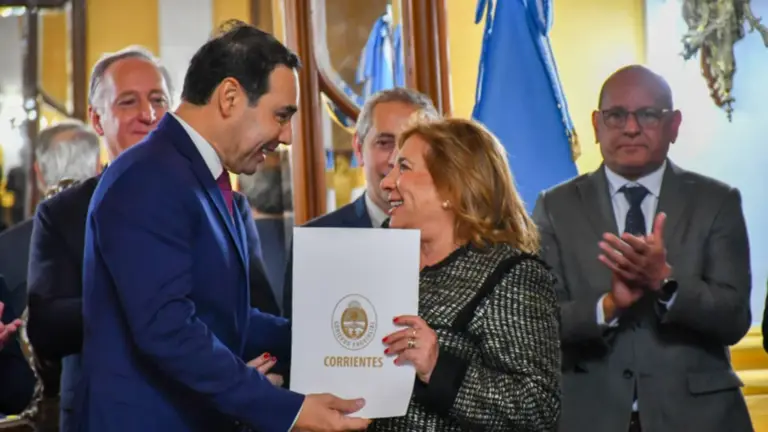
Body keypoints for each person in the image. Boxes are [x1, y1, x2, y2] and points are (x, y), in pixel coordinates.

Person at [75, 21, 370, 432]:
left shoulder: (197, 174)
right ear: (229, 97)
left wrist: (336, 338)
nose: (287, 136)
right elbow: (169, 330)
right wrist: (288, 410)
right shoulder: (148, 177)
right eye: (281, 115)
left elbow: (227, 317)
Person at [533, 65, 752, 432]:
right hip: (590, 417)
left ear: (674, 125)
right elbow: (538, 323)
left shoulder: (717, 201)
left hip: (700, 419)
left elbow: (734, 319)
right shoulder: (554, 207)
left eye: (648, 114)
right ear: (596, 124)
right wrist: (608, 306)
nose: (631, 128)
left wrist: (666, 283)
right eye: (616, 115)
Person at [373, 117, 561, 431]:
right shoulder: (375, 257)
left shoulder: (512, 275)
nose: (386, 182)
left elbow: (538, 408)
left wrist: (438, 368)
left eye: (403, 168)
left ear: (451, 187)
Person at [282, 87, 439, 318]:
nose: (395, 159)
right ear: (358, 148)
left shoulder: (461, 242)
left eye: (409, 147)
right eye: (384, 143)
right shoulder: (316, 246)